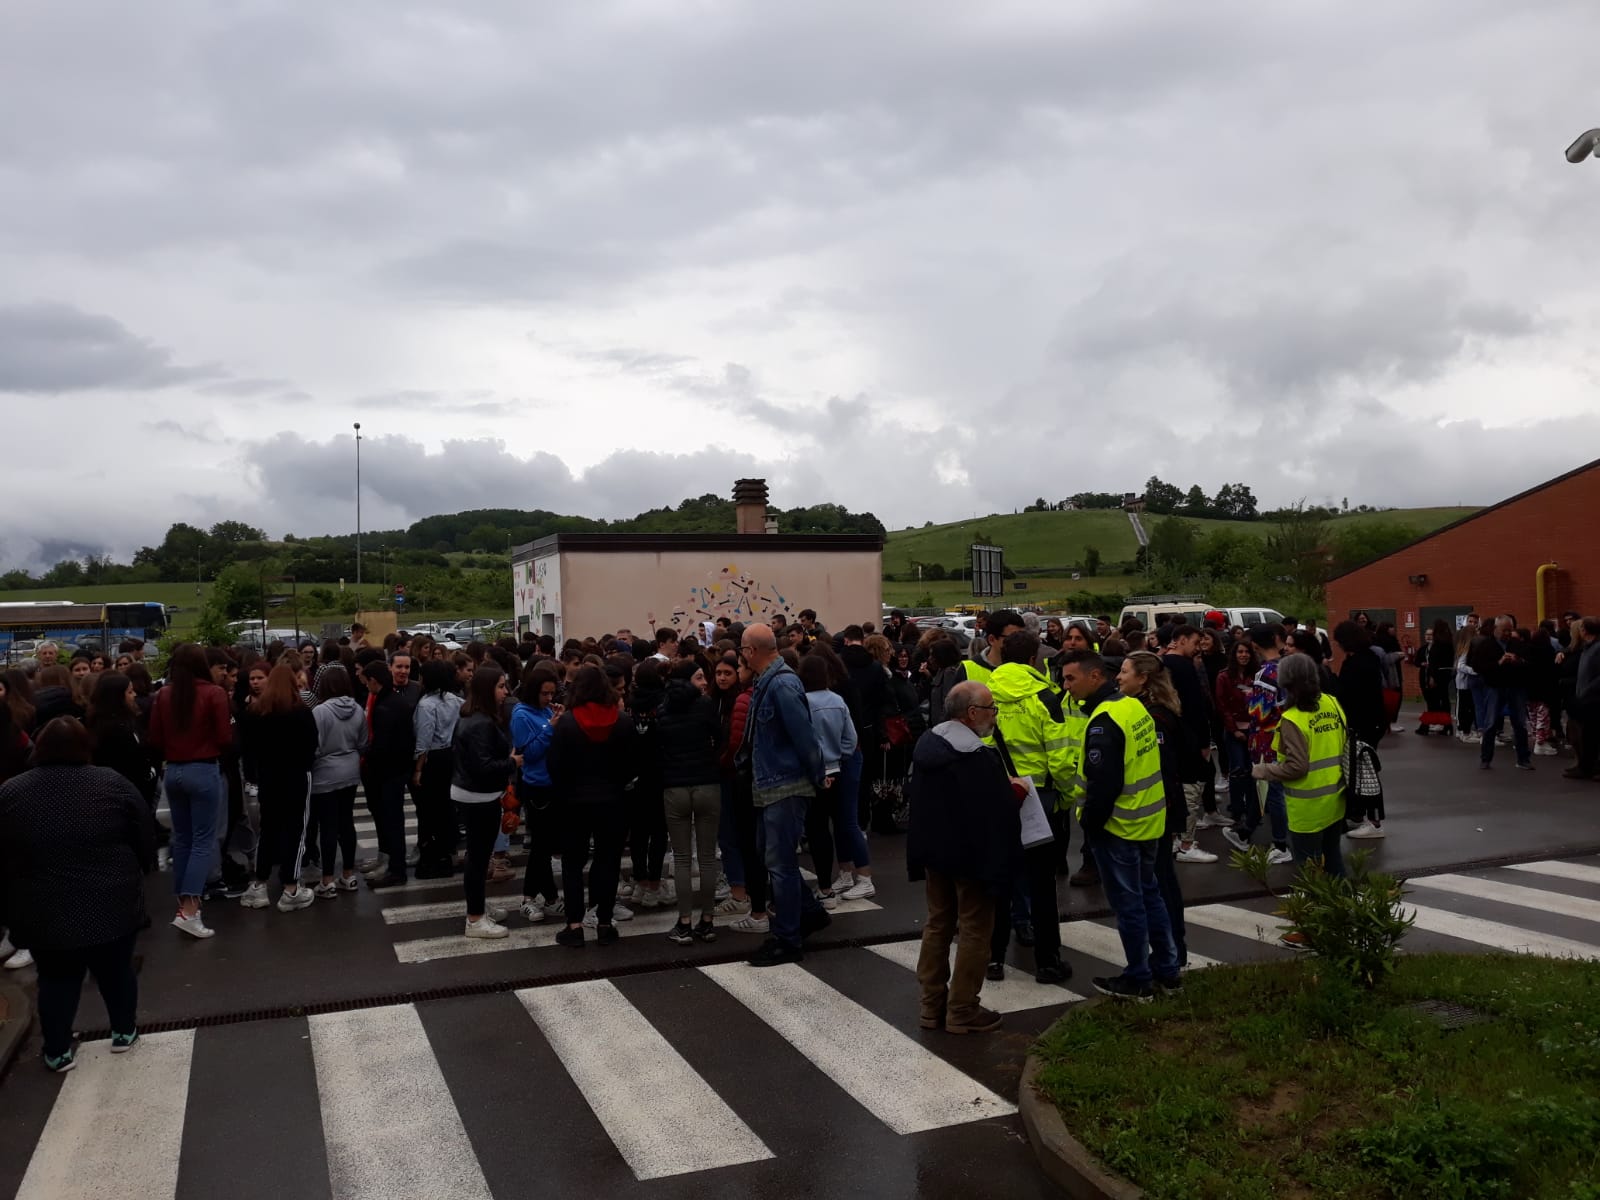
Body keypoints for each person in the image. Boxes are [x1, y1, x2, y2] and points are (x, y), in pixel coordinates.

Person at [0, 718, 157, 1070]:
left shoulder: (12, 793)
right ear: (86, 746)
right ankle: (123, 1031)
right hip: (110, 899)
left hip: (42, 905)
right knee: (116, 971)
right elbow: (144, 834)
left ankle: (57, 1050)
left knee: (56, 978)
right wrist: (140, 871)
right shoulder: (111, 783)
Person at [1059, 649, 1181, 1001]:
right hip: (1147, 821)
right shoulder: (1131, 706)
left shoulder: (1104, 720)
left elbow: (1103, 785)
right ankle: (1168, 972)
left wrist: (1092, 827)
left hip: (1119, 828)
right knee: (1151, 896)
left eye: (1071, 678)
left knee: (1129, 905)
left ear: (1095, 677)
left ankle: (1139, 978)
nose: (1067, 687)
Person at [906, 681, 1021, 1035]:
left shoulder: (928, 744)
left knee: (938, 923)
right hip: (972, 857)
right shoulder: (976, 757)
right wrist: (1015, 795)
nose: (994, 716)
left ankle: (931, 1006)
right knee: (974, 929)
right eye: (990, 709)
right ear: (972, 713)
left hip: (935, 851)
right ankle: (963, 1008)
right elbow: (994, 813)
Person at [738, 623, 829, 967]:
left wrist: (817, 776)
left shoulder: (782, 684)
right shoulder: (771, 682)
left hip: (785, 784)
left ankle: (787, 938)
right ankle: (808, 913)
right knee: (771, 858)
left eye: (744, 652)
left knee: (780, 865)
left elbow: (805, 738)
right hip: (772, 784)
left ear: (751, 651)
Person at [986, 629, 1073, 985]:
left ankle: (993, 960)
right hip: (1040, 800)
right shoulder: (1045, 698)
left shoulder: (983, 694)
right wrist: (1065, 798)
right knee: (1042, 886)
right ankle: (1048, 964)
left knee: (999, 883)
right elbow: (1062, 760)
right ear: (1035, 658)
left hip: (996, 798)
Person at [549, 665, 639, 947]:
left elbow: (555, 764)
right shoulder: (622, 721)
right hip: (613, 799)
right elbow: (632, 763)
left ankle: (574, 925)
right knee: (608, 861)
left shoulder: (567, 722)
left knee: (573, 863)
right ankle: (604, 921)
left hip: (574, 800)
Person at [1254, 653, 1350, 913]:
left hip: (1307, 808)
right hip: (1336, 798)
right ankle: (1343, 911)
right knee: (1333, 860)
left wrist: (1262, 770)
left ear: (1285, 682)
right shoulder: (1332, 702)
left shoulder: (1292, 718)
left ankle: (1315, 921)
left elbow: (1296, 767)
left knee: (1308, 868)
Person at [149, 643, 233, 938]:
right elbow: (225, 736)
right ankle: (190, 908)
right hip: (204, 767)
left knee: (182, 839)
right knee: (202, 841)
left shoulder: (164, 694)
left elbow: (155, 737)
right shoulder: (214, 693)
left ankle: (182, 905)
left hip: (173, 769)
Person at [1117, 651, 1190, 970]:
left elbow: (1161, 767)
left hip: (1160, 808)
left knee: (1160, 882)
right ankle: (1171, 949)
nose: (1118, 678)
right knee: (1159, 880)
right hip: (1160, 807)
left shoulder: (1155, 715)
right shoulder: (1148, 709)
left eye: (1124, 671)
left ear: (1142, 678)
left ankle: (1173, 950)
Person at [238, 664, 320, 911]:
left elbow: (248, 748)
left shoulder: (255, 712)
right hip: (296, 775)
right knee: (296, 830)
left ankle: (259, 884)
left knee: (268, 829)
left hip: (268, 777)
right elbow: (312, 746)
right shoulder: (301, 712)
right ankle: (290, 887)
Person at [657, 658, 724, 943]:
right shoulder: (706, 706)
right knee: (707, 857)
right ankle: (707, 920)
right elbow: (721, 739)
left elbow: (657, 748)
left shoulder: (663, 710)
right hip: (707, 782)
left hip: (675, 786)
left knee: (681, 858)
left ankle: (684, 922)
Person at [798, 653, 873, 908]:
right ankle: (853, 874)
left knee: (820, 828)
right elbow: (851, 740)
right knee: (844, 821)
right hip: (837, 767)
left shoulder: (802, 702)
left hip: (815, 771)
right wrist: (837, 756)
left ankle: (848, 878)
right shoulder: (837, 700)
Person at [452, 665, 521, 939]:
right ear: (486, 690)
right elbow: (483, 766)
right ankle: (475, 919)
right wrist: (511, 762)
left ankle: (478, 906)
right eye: (501, 686)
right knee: (479, 858)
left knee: (479, 856)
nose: (506, 692)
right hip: (478, 795)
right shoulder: (479, 722)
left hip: (474, 792)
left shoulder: (474, 716)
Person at [1222, 625, 1293, 866]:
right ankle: (1246, 831)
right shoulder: (1289, 666)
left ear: (1255, 646)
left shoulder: (1266, 674)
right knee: (1263, 789)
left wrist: (1250, 697)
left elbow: (1260, 712)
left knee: (1272, 791)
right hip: (1287, 734)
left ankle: (1281, 843)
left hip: (1267, 739)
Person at [512, 662, 564, 922]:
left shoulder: (546, 711)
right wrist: (550, 728)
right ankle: (529, 898)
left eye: (552, 693)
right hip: (536, 785)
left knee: (545, 845)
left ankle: (550, 896)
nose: (549, 698)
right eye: (544, 693)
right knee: (541, 847)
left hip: (554, 782)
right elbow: (528, 752)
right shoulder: (521, 714)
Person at [310, 665, 367, 897]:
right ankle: (348, 874)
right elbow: (363, 743)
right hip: (350, 769)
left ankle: (327, 880)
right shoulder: (358, 709)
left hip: (325, 772)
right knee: (347, 822)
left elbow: (315, 746)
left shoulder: (320, 711)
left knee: (328, 826)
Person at [1328, 621, 1387, 838]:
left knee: (1365, 773)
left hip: (1361, 724)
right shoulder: (1367, 658)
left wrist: (1331, 678)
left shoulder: (1356, 663)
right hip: (1371, 722)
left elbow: (1346, 693)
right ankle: (1362, 816)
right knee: (1361, 771)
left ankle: (1374, 822)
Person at [362, 660, 417, 887]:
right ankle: (395, 867)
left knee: (392, 822)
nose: (366, 686)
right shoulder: (395, 700)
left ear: (374, 681)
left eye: (366, 682)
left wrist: (367, 756)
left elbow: (382, 746)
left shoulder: (385, 706)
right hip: (398, 769)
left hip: (388, 772)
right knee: (394, 821)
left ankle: (396, 870)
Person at [412, 659, 464, 879]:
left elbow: (423, 740)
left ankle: (434, 856)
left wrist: (418, 770)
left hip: (434, 758)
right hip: (451, 754)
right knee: (446, 807)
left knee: (430, 809)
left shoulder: (426, 705)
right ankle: (448, 850)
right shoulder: (455, 700)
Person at [86, 671, 157, 814]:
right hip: (126, 793)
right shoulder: (116, 728)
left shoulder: (121, 721)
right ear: (117, 697)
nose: (134, 695)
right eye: (130, 692)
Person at [1468, 616, 1533, 771]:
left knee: (1520, 724)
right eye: (1504, 630)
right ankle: (1486, 759)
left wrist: (1518, 660)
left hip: (1515, 686)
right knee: (1490, 723)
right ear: (1495, 629)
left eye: (1510, 630)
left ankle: (1523, 759)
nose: (1507, 633)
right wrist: (1498, 663)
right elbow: (1477, 666)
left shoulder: (1517, 644)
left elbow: (1530, 663)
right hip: (1494, 686)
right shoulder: (1485, 645)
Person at [1417, 618, 1455, 735]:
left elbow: (1433, 662)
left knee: (1432, 701)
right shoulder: (1449, 643)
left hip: (1436, 674)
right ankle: (1447, 726)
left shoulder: (1436, 645)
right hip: (1446, 674)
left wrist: (1432, 677)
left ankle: (1426, 726)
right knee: (1444, 700)